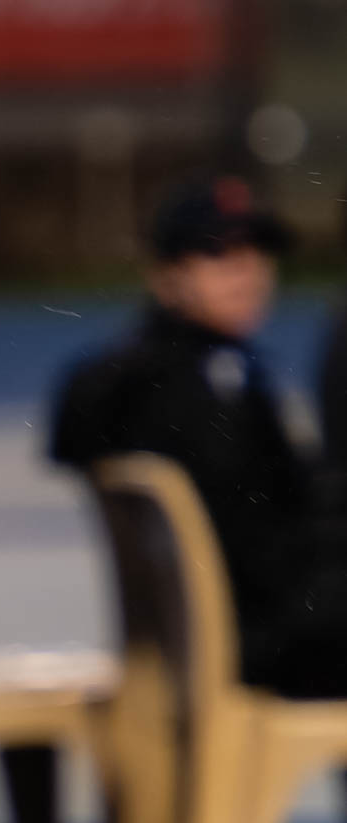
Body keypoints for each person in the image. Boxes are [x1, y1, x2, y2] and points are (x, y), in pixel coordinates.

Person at [52, 173, 347, 698]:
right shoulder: (186, 379)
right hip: (255, 640)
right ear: (168, 274)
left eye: (257, 252)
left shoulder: (214, 369)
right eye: (220, 253)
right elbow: (264, 539)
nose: (249, 271)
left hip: (221, 632)